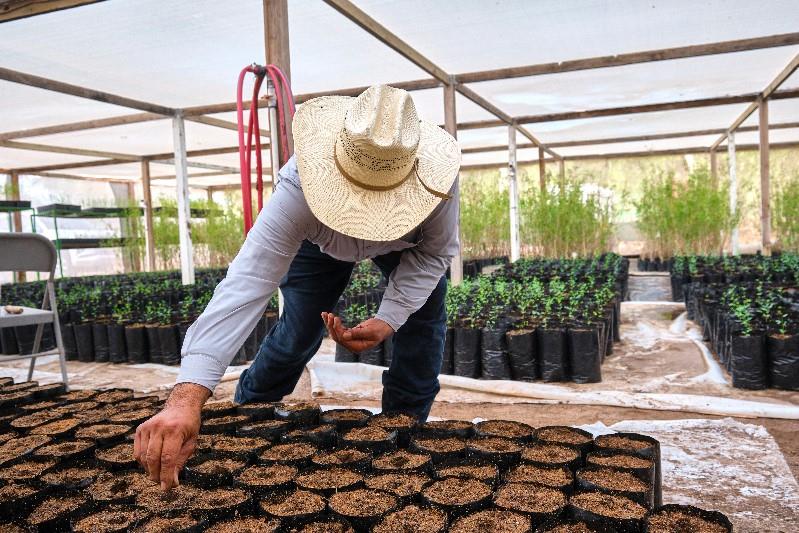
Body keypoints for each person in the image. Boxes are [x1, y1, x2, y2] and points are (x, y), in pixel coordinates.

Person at [133, 84, 461, 490]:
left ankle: (402, 436)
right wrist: (185, 399)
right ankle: (250, 413)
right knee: (300, 330)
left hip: (404, 245)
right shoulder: (299, 187)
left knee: (422, 330)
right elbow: (248, 281)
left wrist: (390, 318)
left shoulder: (437, 184)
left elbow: (434, 254)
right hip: (317, 244)